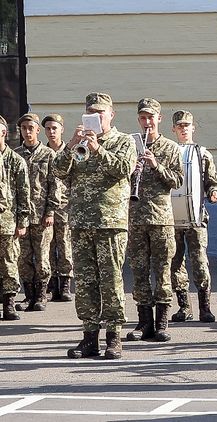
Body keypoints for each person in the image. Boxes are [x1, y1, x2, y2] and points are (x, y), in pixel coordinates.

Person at [53, 92, 137, 359]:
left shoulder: (123, 142)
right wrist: (71, 145)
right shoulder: (79, 144)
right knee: (86, 282)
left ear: (111, 115)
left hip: (110, 222)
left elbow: (124, 168)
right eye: (91, 112)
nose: (96, 116)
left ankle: (114, 337)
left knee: (110, 280)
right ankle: (89, 337)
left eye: (101, 112)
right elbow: (58, 170)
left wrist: (98, 149)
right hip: (80, 222)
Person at [126, 98, 183, 343]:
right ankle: (143, 321)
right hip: (136, 218)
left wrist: (156, 165)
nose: (147, 122)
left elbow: (178, 180)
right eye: (143, 118)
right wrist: (132, 170)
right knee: (139, 271)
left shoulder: (171, 148)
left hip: (160, 218)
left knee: (162, 271)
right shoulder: (131, 145)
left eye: (151, 117)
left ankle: (161, 322)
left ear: (159, 118)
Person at [169, 110, 217, 323]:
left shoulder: (202, 154)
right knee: (175, 262)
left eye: (187, 125)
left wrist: (214, 192)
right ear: (173, 129)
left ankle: (205, 307)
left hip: (196, 217)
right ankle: (183, 306)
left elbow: (212, 181)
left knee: (199, 261)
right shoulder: (169, 151)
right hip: (172, 217)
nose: (183, 128)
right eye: (179, 125)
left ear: (193, 128)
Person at [14, 113, 60, 312]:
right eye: (24, 128)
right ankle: (29, 296)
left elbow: (54, 185)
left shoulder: (48, 155)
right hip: (22, 217)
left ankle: (41, 295)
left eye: (30, 128)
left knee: (42, 258)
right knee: (23, 258)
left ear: (37, 130)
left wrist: (50, 211)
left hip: (42, 216)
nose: (27, 132)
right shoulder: (16, 155)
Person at [0, 114, 30, 321]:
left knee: (9, 263)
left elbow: (23, 193)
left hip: (7, 222)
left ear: (3, 133)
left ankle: (9, 305)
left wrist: (22, 222)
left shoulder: (15, 160)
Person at [42, 113, 74, 302]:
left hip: (66, 205)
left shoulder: (70, 150)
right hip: (46, 206)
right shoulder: (43, 153)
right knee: (47, 245)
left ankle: (65, 285)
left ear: (62, 129)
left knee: (64, 244)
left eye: (55, 128)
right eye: (48, 128)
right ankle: (52, 282)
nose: (51, 132)